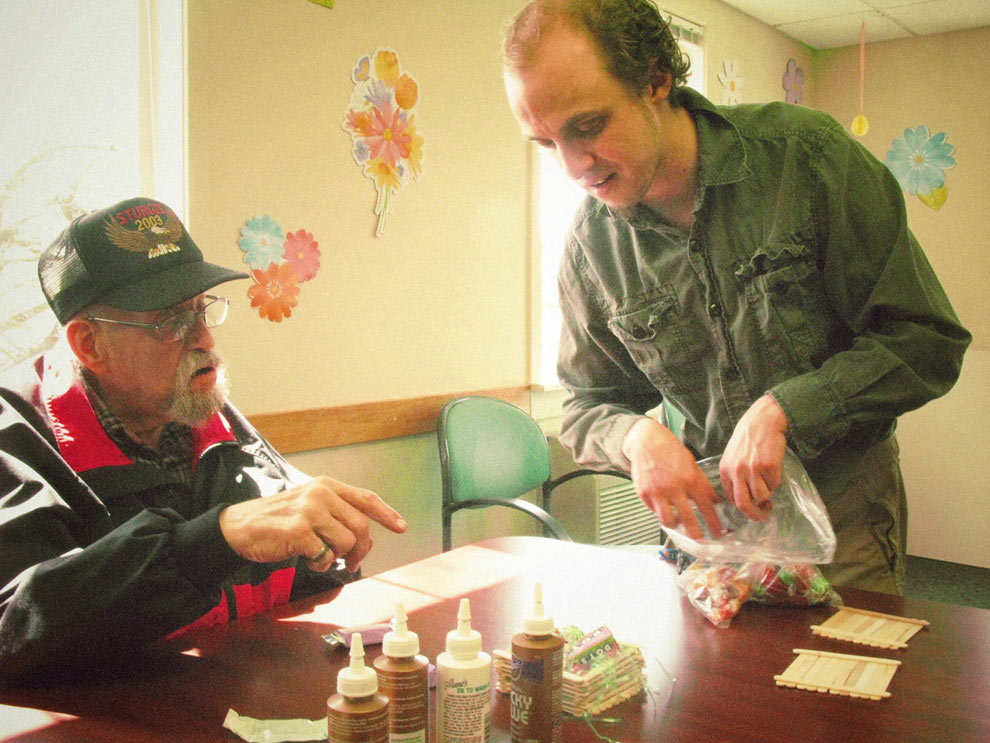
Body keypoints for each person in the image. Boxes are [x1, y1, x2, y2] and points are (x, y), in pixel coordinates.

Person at [502, 0, 970, 594]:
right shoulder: (591, 248)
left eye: (588, 127)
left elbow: (927, 340)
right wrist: (635, 437)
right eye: (545, 143)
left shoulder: (806, 159)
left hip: (840, 522)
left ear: (656, 80)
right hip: (710, 543)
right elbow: (585, 406)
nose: (574, 167)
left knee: (844, 683)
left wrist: (788, 409)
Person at [0, 197, 408, 683]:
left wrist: (327, 540)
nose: (205, 340)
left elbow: (308, 569)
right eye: (171, 321)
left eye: (202, 310)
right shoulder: (18, 437)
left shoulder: (201, 411)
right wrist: (212, 540)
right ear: (89, 344)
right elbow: (15, 629)